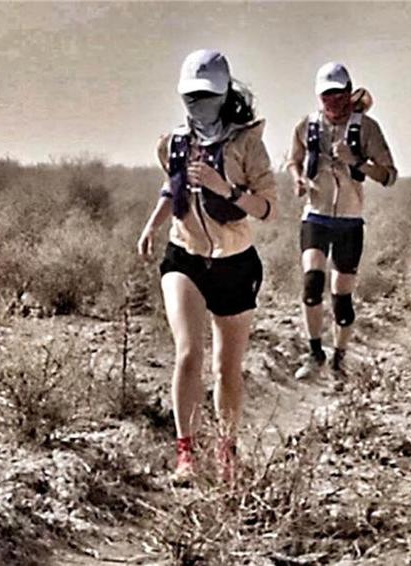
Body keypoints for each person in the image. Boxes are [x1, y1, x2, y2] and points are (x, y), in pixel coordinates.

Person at [137, 49, 276, 483]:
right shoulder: (175, 142)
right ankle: (186, 453)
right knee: (188, 352)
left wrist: (226, 189)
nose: (199, 105)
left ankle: (226, 452)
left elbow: (267, 207)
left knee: (226, 367)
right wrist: (152, 225)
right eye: (192, 97)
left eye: (207, 96)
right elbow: (172, 187)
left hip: (235, 263)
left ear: (224, 95)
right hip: (185, 256)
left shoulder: (247, 144)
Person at [286, 62, 397, 381]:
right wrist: (297, 179)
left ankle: (339, 358)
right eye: (327, 96)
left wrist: (357, 162)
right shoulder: (306, 126)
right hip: (316, 215)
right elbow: (292, 160)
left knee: (342, 299)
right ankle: (314, 353)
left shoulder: (367, 129)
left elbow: (389, 175)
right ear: (319, 96)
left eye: (339, 95)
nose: (333, 102)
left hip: (349, 220)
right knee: (312, 283)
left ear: (349, 93)